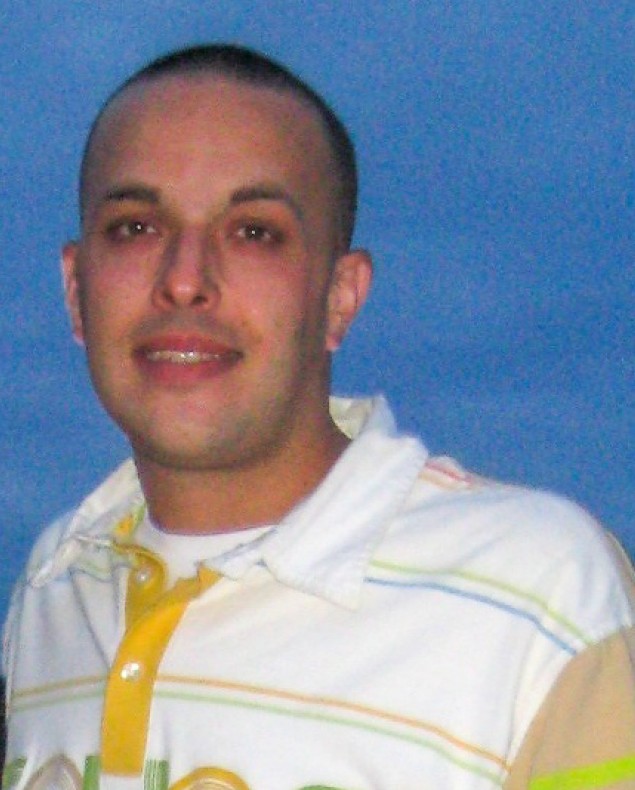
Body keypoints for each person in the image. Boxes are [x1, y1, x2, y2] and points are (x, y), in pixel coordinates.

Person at [3, 43, 635, 790]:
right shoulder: (55, 588)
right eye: (136, 227)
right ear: (76, 289)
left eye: (253, 232)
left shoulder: (540, 602)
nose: (184, 280)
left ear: (340, 297)